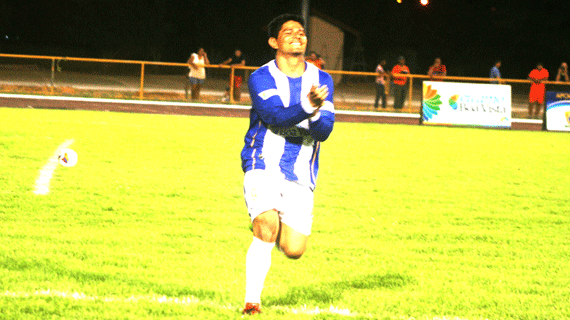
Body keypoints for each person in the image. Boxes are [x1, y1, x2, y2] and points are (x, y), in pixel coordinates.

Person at [240, 13, 335, 315]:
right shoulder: (261, 77)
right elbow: (274, 117)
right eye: (288, 32)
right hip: (262, 161)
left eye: (302, 32)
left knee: (294, 250)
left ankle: (264, 217)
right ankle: (252, 302)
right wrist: (308, 107)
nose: (297, 35)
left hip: (300, 171)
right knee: (267, 227)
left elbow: (325, 130)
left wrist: (313, 116)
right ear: (274, 42)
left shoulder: (321, 78)